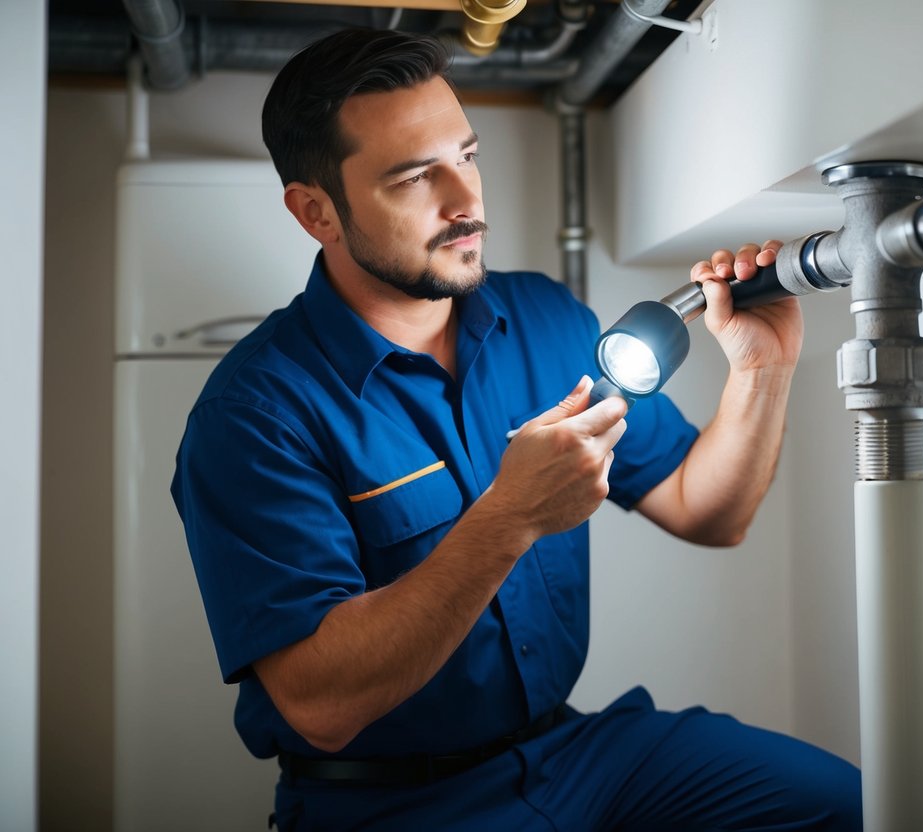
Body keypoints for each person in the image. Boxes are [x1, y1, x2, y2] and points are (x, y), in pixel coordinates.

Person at [171, 27, 862, 832]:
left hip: (575, 754)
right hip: (385, 802)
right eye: (412, 177)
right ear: (317, 211)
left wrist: (761, 371)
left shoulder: (545, 320)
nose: (463, 200)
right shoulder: (256, 415)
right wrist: (511, 516)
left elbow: (707, 510)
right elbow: (320, 703)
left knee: (841, 807)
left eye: (465, 156)